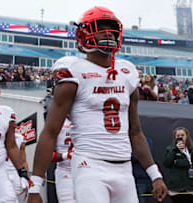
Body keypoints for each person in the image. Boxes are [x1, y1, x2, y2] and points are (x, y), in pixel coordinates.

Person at [27, 6, 168, 203]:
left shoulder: (127, 73)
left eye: (111, 28)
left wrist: (155, 175)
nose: (108, 32)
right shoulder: (74, 71)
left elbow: (135, 133)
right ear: (83, 33)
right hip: (89, 165)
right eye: (100, 27)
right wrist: (35, 186)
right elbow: (50, 132)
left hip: (124, 167)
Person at [163, 127, 193, 203]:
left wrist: (178, 162)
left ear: (186, 136)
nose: (180, 137)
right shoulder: (170, 149)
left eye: (182, 135)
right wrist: (174, 150)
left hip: (189, 187)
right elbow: (167, 163)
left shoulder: (192, 150)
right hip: (176, 187)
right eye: (178, 135)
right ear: (174, 137)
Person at [51, 118, 75, 203]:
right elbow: (47, 155)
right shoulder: (58, 122)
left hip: (86, 169)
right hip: (65, 170)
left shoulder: (86, 119)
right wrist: (66, 155)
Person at [5, 133, 29, 201]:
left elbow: (23, 161)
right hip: (1, 170)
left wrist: (26, 177)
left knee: (13, 197)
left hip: (15, 171)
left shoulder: (20, 138)